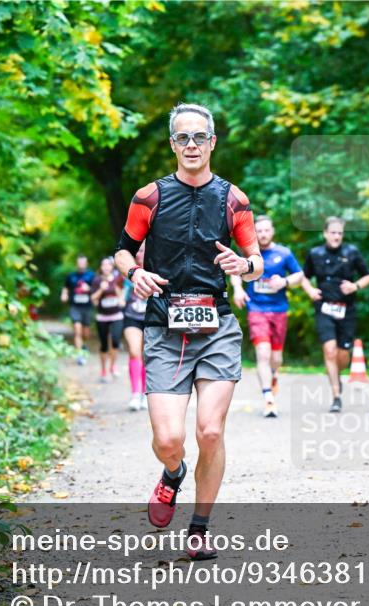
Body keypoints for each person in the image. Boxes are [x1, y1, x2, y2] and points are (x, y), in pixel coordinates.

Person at [114, 103, 262, 560]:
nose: (192, 145)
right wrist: (132, 274)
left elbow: (255, 262)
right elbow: (123, 251)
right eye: (183, 138)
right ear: (172, 144)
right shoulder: (149, 197)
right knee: (168, 440)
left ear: (213, 142)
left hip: (216, 327)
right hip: (163, 326)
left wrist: (244, 265)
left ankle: (198, 529)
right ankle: (173, 474)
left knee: (211, 432)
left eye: (200, 137)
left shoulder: (233, 199)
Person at [231, 215, 304, 418]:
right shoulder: (248, 253)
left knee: (276, 358)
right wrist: (238, 289)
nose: (262, 234)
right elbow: (235, 272)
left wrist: (285, 282)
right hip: (256, 310)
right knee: (263, 353)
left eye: (266, 230)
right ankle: (268, 398)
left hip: (279, 310)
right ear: (255, 233)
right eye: (259, 231)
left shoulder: (284, 253)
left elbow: (299, 275)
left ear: (272, 231)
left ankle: (272, 377)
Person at [301, 217, 369, 413]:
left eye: (340, 233)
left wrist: (355, 285)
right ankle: (336, 395)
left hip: (347, 309)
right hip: (324, 308)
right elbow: (304, 277)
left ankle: (336, 375)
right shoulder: (315, 254)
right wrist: (310, 290)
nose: (336, 236)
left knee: (343, 354)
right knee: (330, 350)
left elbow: (368, 275)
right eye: (333, 232)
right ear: (325, 233)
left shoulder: (351, 252)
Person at [122, 242, 148, 411]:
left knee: (148, 355)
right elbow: (120, 295)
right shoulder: (127, 273)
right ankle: (135, 393)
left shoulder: (159, 269)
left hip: (152, 318)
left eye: (141, 251)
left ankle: (146, 393)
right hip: (132, 316)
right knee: (134, 351)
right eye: (136, 251)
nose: (138, 254)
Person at [91, 257, 125, 382]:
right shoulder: (97, 280)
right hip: (102, 317)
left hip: (116, 315)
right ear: (101, 267)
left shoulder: (118, 279)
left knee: (115, 341)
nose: (105, 267)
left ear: (112, 267)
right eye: (103, 265)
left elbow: (122, 296)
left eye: (108, 265)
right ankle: (103, 370)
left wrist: (121, 299)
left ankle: (112, 366)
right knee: (104, 345)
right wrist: (101, 288)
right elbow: (93, 300)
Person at [60, 255, 95, 365]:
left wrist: (89, 289)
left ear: (86, 263)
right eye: (79, 263)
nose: (81, 265)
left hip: (87, 306)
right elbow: (66, 287)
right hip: (75, 306)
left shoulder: (91, 275)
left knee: (85, 333)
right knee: (77, 329)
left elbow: (97, 288)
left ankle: (83, 345)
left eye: (83, 263)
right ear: (77, 264)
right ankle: (79, 354)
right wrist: (64, 294)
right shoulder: (71, 276)